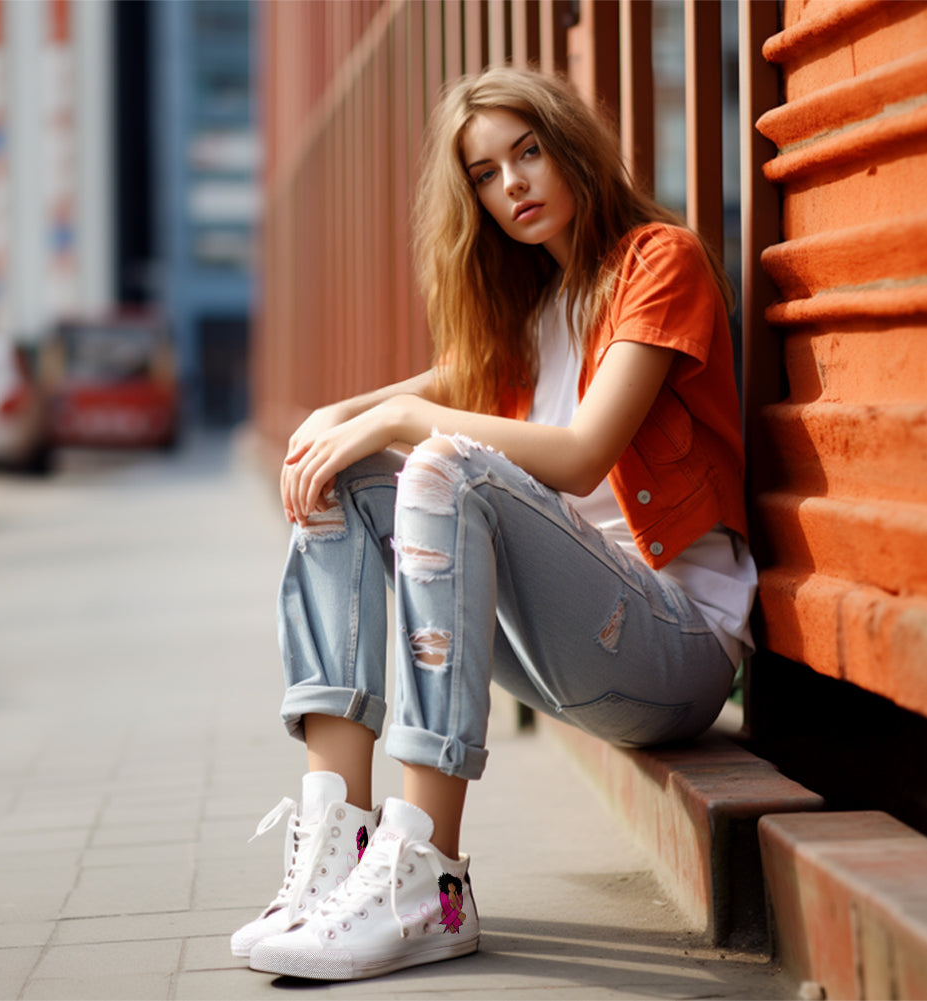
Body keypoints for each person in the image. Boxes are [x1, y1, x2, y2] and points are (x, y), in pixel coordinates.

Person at [232, 65, 756, 982]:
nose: (511, 184)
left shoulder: (656, 263)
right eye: (484, 173)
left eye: (528, 152)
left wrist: (394, 424)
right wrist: (339, 419)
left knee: (442, 461)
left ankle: (430, 874)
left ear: (572, 152)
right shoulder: (524, 309)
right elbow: (420, 395)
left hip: (674, 649)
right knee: (348, 476)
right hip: (573, 645)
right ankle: (338, 842)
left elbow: (585, 452)